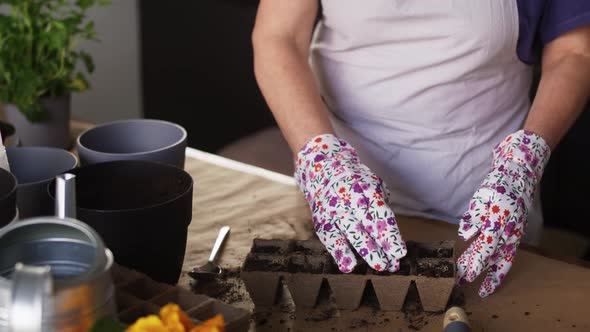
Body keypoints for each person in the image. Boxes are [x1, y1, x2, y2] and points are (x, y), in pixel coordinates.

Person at [252, 1, 590, 297]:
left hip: (484, 203)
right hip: (343, 195)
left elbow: (574, 52)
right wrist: (320, 157)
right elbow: (279, 35)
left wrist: (526, 160)